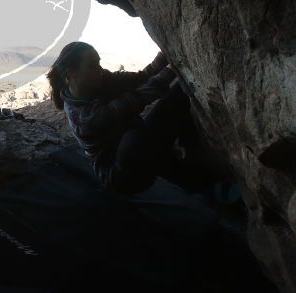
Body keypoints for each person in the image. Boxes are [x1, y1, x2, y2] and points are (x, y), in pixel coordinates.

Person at [46, 41, 232, 198]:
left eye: (99, 63)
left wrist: (167, 52)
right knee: (137, 140)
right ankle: (204, 187)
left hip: (137, 146)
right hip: (122, 176)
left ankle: (191, 156)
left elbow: (140, 78)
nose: (100, 70)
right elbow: (138, 99)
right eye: (92, 66)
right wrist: (174, 67)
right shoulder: (84, 117)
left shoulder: (99, 81)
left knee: (177, 95)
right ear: (70, 74)